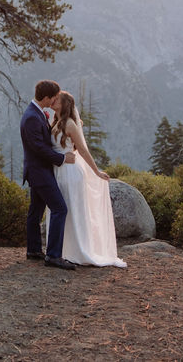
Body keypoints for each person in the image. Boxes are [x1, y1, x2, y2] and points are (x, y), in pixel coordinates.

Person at [48, 90, 127, 268]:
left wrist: (97, 172)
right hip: (58, 171)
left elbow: (83, 150)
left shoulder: (69, 124)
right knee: (61, 211)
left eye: (57, 99)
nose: (53, 101)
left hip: (70, 173)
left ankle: (78, 250)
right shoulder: (55, 122)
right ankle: (62, 251)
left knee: (72, 210)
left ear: (65, 104)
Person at [20, 79, 77, 270]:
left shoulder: (36, 113)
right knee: (60, 208)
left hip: (39, 170)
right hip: (39, 171)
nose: (54, 101)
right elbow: (38, 148)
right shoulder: (31, 117)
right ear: (46, 98)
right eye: (53, 98)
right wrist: (61, 159)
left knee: (35, 211)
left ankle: (34, 250)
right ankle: (53, 255)